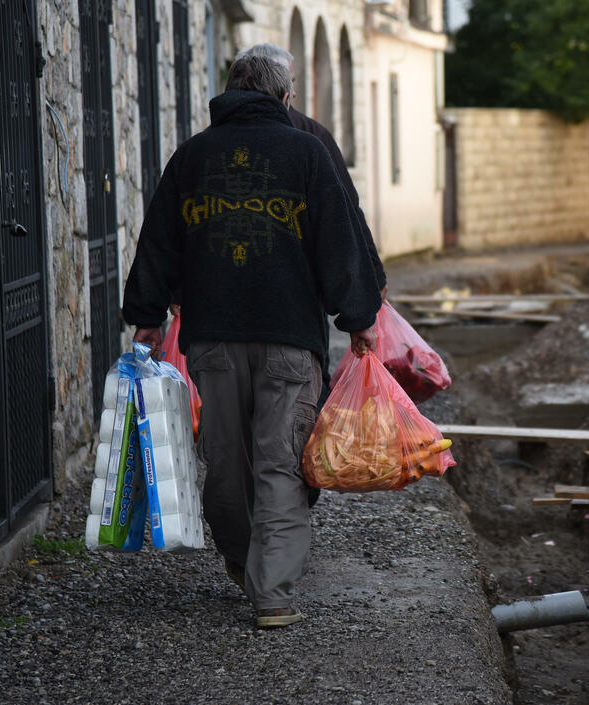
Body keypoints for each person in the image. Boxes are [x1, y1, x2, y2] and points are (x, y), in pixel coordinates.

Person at [121, 54, 382, 628]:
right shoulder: (308, 153)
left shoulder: (192, 155)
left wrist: (146, 315)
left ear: (229, 92)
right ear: (285, 98)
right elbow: (340, 242)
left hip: (211, 339)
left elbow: (159, 239)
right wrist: (360, 316)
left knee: (225, 464)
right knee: (279, 462)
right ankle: (273, 594)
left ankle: (244, 564)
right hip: (290, 339)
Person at [235, 42, 387, 409]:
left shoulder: (209, 143)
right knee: (286, 428)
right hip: (291, 311)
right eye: (291, 81)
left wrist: (371, 283)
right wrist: (361, 305)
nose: (295, 91)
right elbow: (343, 223)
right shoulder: (309, 142)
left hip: (231, 315)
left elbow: (346, 214)